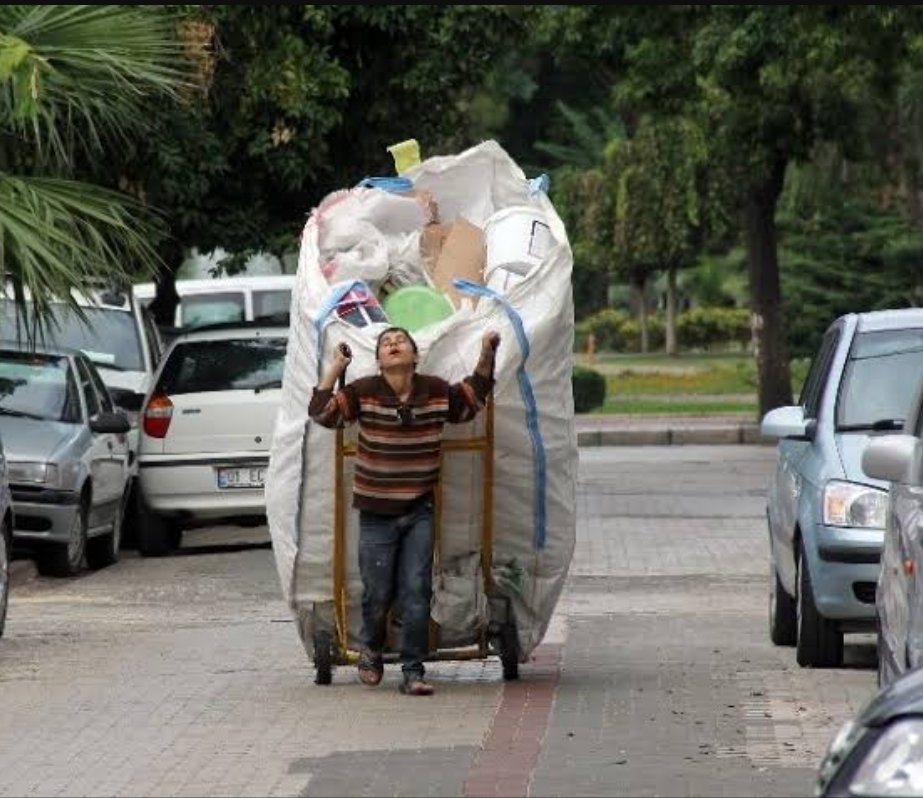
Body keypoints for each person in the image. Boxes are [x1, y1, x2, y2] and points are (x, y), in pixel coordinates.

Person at [308, 325, 499, 696]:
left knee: (416, 590)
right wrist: (335, 367)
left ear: (414, 355)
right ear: (378, 360)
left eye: (400, 341)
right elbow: (322, 414)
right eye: (385, 344)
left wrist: (487, 353)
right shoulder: (363, 391)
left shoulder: (436, 391)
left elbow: (473, 398)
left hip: (418, 511)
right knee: (377, 593)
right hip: (376, 514)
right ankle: (372, 652)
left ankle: (413, 670)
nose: (393, 345)